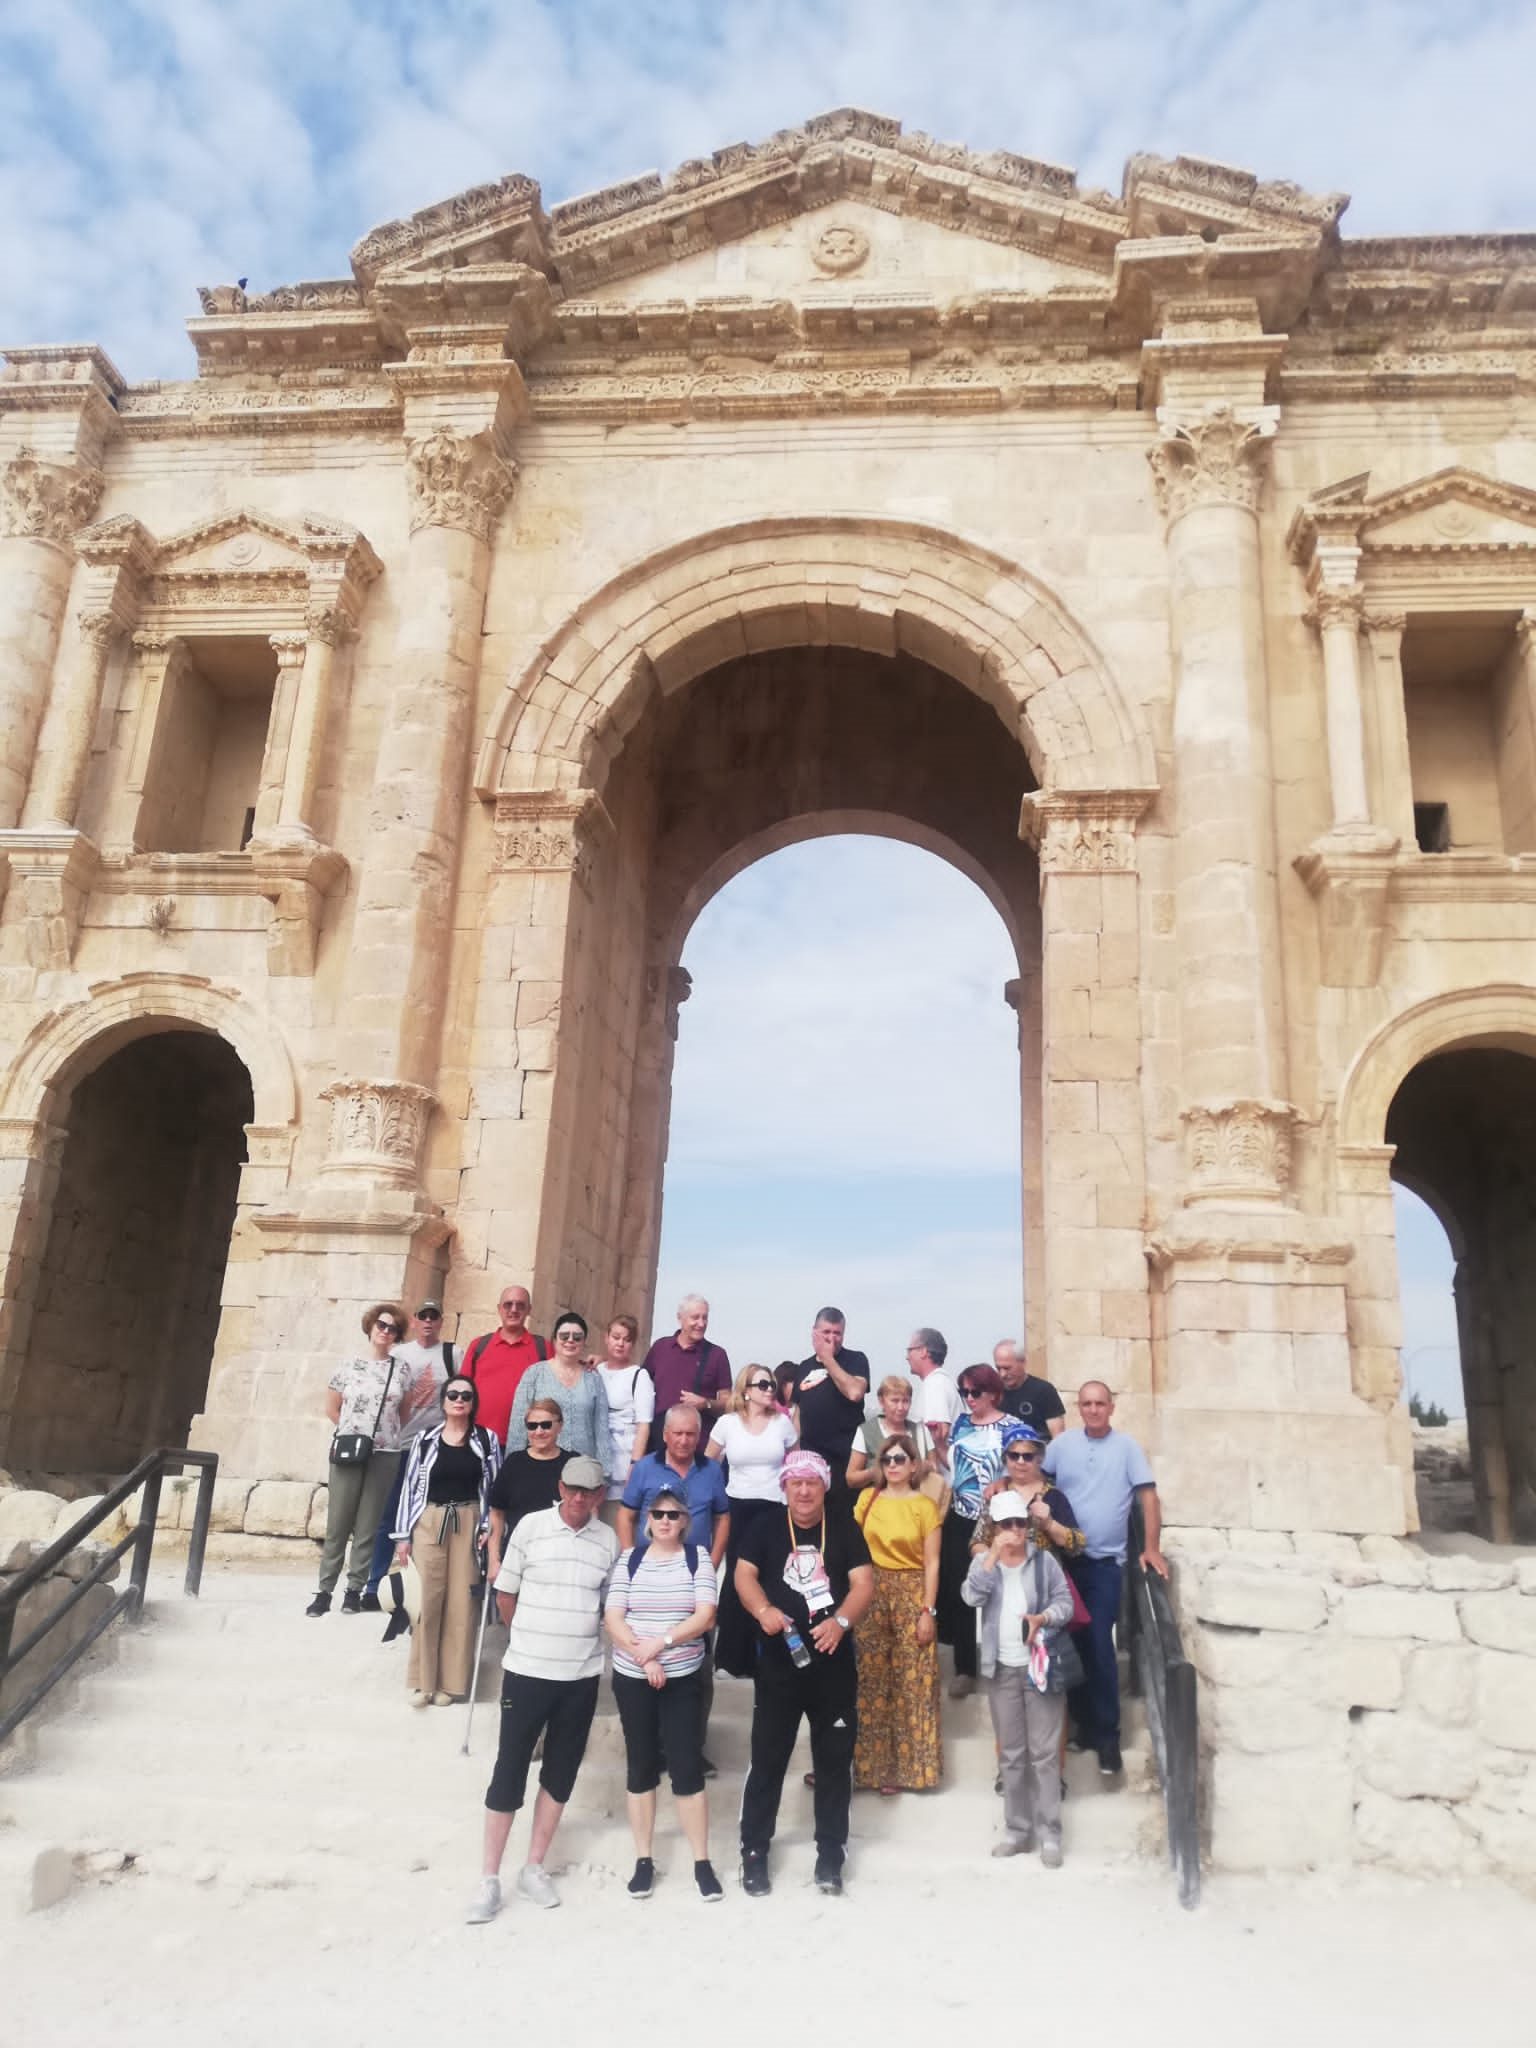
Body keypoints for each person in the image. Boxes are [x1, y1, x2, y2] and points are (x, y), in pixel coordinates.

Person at [466, 1457, 618, 1923]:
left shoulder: (608, 1540)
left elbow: (609, 1604)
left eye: (587, 1492)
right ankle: (489, 1878)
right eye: (571, 1489)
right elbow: (506, 1593)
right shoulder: (530, 1528)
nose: (578, 1498)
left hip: (580, 1676)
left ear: (598, 1495)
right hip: (528, 1670)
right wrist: (529, 1635)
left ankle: (533, 1866)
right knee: (509, 1769)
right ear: (561, 1487)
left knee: (560, 1773)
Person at [734, 1449, 874, 1897]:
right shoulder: (766, 1527)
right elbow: (743, 1574)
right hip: (780, 1662)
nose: (804, 1490)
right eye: (796, 1483)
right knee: (768, 1759)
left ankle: (830, 1853)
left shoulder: (844, 1527)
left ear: (824, 1485)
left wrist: (842, 1622)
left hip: (832, 1665)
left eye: (812, 1482)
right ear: (784, 1487)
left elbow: (863, 1583)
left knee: (833, 1763)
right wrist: (763, 1610)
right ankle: (754, 1852)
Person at [604, 1484, 723, 1900]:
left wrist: (663, 1643)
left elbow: (704, 1615)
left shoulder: (698, 1558)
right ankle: (643, 1859)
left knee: (687, 1766)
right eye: (658, 1515)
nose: (665, 1521)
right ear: (646, 1521)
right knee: (640, 1766)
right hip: (636, 1674)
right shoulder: (630, 1560)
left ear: (685, 1521)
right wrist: (645, 1655)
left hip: (682, 1675)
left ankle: (701, 1861)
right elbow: (614, 1618)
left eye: (673, 1515)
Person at [1042, 1381, 1166, 1778]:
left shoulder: (1127, 1448)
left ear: (1111, 1407)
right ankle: (1082, 1727)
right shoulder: (1062, 1446)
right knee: (1071, 1645)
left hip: (1104, 1565)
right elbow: (1037, 1482)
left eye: (1100, 1404)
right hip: (1064, 1563)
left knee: (1098, 1643)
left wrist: (1151, 1547)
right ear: (1078, 1408)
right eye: (1087, 1404)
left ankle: (1108, 1735)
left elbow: (1147, 1497)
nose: (1093, 1410)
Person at [962, 1493, 1075, 1865]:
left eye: (1020, 1523)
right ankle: (1016, 1830)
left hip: (1038, 1665)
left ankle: (1050, 1836)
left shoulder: (1044, 1563)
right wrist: (991, 1556)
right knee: (1011, 1754)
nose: (1015, 1530)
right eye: (1007, 1524)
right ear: (994, 1527)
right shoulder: (984, 1563)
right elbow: (971, 1597)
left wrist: (1043, 1618)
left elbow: (1065, 1603)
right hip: (1001, 1668)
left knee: (1043, 1754)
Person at [620, 1406, 731, 1769]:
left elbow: (722, 1515)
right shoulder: (646, 1468)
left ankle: (691, 1749)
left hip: (694, 1580)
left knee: (699, 1668)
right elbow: (626, 1514)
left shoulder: (711, 1469)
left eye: (691, 1434)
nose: (684, 1441)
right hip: (651, 1581)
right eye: (678, 1433)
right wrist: (630, 1561)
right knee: (646, 1662)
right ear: (665, 1434)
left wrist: (712, 1562)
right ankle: (650, 1750)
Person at [390, 1374, 502, 1705]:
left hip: (467, 1522)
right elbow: (409, 1488)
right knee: (426, 1600)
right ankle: (424, 1682)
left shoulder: (486, 1440)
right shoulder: (425, 1439)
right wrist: (402, 1536)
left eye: (466, 1396)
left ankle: (451, 1685)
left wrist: (486, 1527)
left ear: (473, 1403)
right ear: (443, 1401)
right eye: (452, 1394)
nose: (459, 1400)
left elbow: (492, 1489)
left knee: (461, 1603)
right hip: (429, 1521)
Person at [852, 1431, 941, 1794]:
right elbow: (852, 1550)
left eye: (899, 1459)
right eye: (886, 1459)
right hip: (871, 1590)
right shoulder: (866, 1500)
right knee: (870, 1679)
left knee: (912, 1680)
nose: (892, 1466)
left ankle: (911, 1770)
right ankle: (870, 1769)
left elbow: (933, 1563)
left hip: (911, 1590)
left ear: (914, 1464)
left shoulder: (925, 1505)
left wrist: (927, 1610)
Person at [308, 1304, 409, 1616]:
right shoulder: (347, 1365)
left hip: (385, 1452)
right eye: (381, 1325)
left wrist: (381, 1435)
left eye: (392, 1328)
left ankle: (354, 1588)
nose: (385, 1331)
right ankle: (324, 1591)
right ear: (370, 1326)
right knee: (338, 1522)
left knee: (368, 1524)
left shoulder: (401, 1369)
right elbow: (332, 1408)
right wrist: (353, 1432)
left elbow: (402, 1413)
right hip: (349, 1450)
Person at [363, 1298, 458, 1610]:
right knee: (387, 1517)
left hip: (435, 1449)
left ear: (441, 1321)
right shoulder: (400, 1353)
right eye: (422, 1315)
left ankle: (419, 1588)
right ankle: (372, 1586)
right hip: (399, 1446)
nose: (428, 1320)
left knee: (426, 1520)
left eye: (434, 1315)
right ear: (414, 1320)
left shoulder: (452, 1354)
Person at [706, 1365, 798, 1676]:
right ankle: (730, 1660)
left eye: (772, 1384)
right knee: (736, 1579)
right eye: (762, 1384)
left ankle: (766, 1659)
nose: (770, 1389)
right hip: (738, 1506)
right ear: (746, 1389)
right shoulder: (727, 1424)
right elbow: (708, 1464)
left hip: (774, 1507)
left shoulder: (783, 1423)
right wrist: (714, 1503)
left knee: (771, 1580)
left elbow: (796, 1465)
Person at [936, 1364, 1012, 1697]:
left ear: (993, 1392)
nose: (969, 1398)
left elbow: (1030, 1467)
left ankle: (1002, 1663)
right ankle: (965, 1668)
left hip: (998, 1518)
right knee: (959, 1590)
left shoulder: (1013, 1427)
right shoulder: (962, 1424)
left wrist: (1003, 1481)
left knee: (1000, 1590)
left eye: (975, 1392)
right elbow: (954, 1466)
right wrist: (940, 1444)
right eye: (964, 1392)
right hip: (960, 1514)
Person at [788, 1307, 870, 1522]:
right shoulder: (804, 1367)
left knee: (845, 1522)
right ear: (814, 1332)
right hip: (813, 1461)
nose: (832, 1338)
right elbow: (798, 1414)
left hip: (846, 1461)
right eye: (826, 1333)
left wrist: (828, 1360)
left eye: (837, 1333)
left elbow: (854, 1392)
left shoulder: (855, 1360)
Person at [506, 1312, 611, 1474]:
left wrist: (604, 1473)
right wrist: (512, 1468)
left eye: (577, 1337)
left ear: (584, 1343)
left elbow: (601, 1428)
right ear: (554, 1340)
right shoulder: (534, 1373)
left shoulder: (593, 1378)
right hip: (540, 1466)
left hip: (582, 1469)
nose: (570, 1340)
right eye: (564, 1336)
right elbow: (518, 1423)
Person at [485, 1396, 573, 1577]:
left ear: (560, 1425)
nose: (539, 1431)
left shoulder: (573, 1463)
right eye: (532, 1426)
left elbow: (589, 1510)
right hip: (519, 1557)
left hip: (563, 1559)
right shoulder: (513, 1463)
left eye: (546, 1425)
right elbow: (497, 1514)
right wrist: (494, 1560)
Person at [462, 1285, 549, 1445]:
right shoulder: (479, 1346)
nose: (514, 1310)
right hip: (480, 1440)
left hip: (526, 1442)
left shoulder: (543, 1347)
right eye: (508, 1305)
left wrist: (596, 1362)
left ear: (529, 1310)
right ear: (499, 1309)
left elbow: (567, 1370)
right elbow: (461, 1391)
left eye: (520, 1305)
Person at [595, 1313, 654, 1527]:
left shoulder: (640, 1376)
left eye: (627, 1339)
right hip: (595, 1462)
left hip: (622, 1463)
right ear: (606, 1337)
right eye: (616, 1337)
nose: (620, 1343)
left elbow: (644, 1425)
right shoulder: (595, 1371)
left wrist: (634, 1465)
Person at [642, 1294, 732, 1432]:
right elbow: (639, 1386)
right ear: (680, 1318)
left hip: (699, 1443)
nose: (701, 1324)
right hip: (660, 1440)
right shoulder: (660, 1347)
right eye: (695, 1317)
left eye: (705, 1318)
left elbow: (728, 1404)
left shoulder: (717, 1355)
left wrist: (706, 1403)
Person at [847, 1374, 929, 1492]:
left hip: (916, 1505)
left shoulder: (921, 1431)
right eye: (895, 1401)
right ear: (881, 1401)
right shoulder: (866, 1432)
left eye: (905, 1401)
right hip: (880, 1504)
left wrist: (923, 1467)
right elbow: (851, 1479)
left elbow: (934, 1468)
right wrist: (877, 1470)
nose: (900, 1407)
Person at [907, 1328, 961, 1470]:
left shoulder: (935, 1384)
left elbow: (936, 1435)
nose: (907, 1357)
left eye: (910, 1350)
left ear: (923, 1351)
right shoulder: (939, 1382)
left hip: (939, 1481)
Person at [993, 1339, 1066, 1438]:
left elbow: (1058, 1437)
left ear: (1023, 1362)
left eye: (1007, 1368)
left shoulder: (1044, 1391)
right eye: (998, 1368)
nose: (1003, 1374)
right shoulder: (992, 1392)